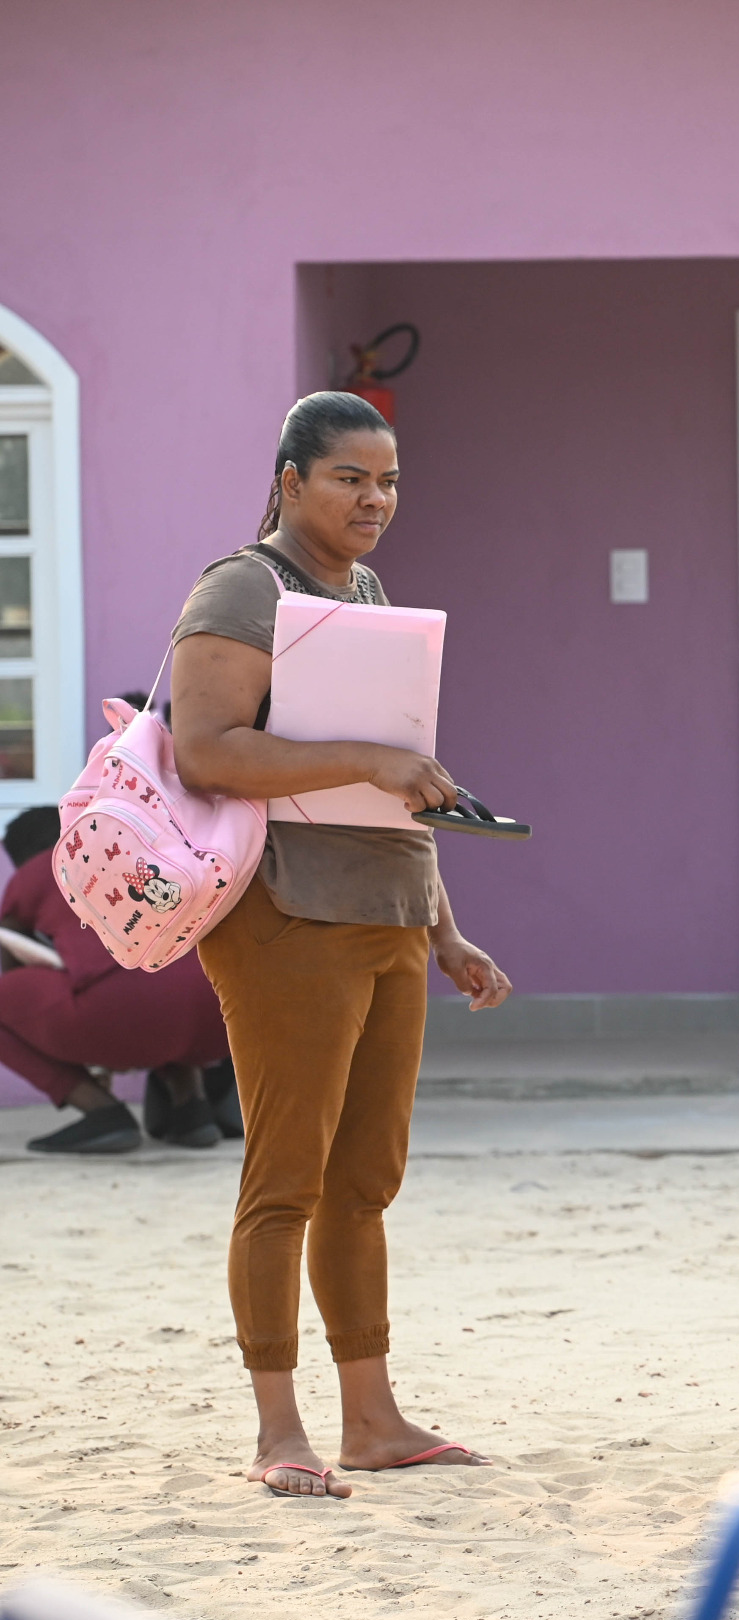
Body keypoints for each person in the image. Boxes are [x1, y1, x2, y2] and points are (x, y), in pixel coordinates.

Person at [170, 391, 514, 1500]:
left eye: (390, 479)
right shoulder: (243, 586)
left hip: (384, 912)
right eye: (349, 478)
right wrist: (372, 754)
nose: (375, 498)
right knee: (287, 1177)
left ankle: (372, 1419)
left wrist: (446, 930)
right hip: (284, 915)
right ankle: (281, 1426)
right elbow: (208, 748)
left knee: (364, 1178)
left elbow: (394, 787)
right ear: (288, 481)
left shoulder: (360, 592)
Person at [0, 804, 234, 1154]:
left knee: (128, 995)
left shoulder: (40, 869)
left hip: (120, 1014)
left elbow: (10, 956)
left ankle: (101, 1111)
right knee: (164, 981)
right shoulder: (141, 853)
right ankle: (191, 1109)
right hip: (215, 1013)